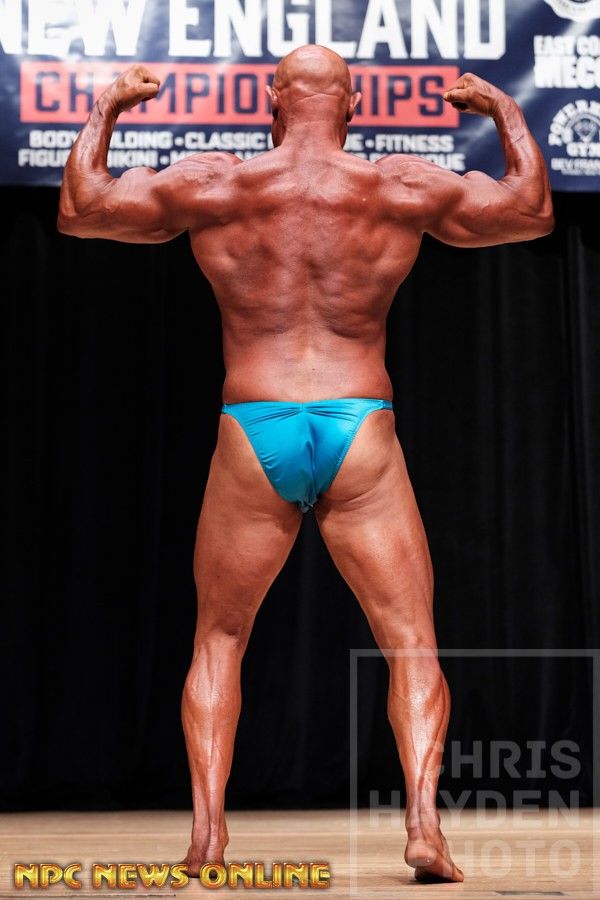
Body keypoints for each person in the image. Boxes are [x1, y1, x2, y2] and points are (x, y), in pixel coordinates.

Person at [58, 45, 553, 884]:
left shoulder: (219, 184)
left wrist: (108, 104)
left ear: (272, 104)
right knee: (410, 642)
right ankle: (424, 827)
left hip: (254, 425)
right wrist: (503, 109)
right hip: (361, 427)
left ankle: (208, 838)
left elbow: (82, 209)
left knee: (220, 638)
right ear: (354, 107)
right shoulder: (396, 185)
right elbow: (531, 210)